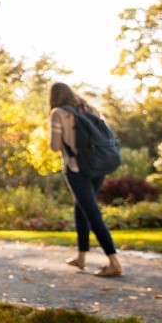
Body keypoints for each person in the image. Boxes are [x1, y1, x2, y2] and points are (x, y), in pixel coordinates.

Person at [49, 82, 124, 277]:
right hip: (98, 165)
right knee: (81, 208)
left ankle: (114, 262)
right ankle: (81, 257)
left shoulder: (58, 113)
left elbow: (55, 146)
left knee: (92, 213)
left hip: (76, 168)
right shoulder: (90, 108)